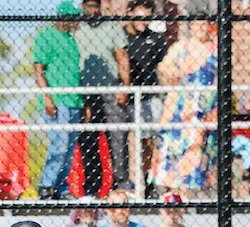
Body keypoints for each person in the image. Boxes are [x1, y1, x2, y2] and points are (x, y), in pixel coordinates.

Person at [151, 19, 217, 195]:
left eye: (204, 24)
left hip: (207, 104)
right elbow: (164, 66)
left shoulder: (215, 47)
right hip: (182, 103)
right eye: (196, 25)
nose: (200, 29)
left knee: (203, 147)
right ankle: (176, 191)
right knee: (177, 145)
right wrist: (176, 74)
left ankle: (199, 189)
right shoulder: (182, 46)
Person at [75, 0, 131, 187]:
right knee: (87, 138)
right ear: (82, 6)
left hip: (111, 89)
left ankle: (121, 181)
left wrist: (125, 85)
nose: (92, 10)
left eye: (95, 5)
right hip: (84, 91)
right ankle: (92, 183)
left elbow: (121, 55)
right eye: (88, 5)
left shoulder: (112, 26)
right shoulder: (76, 28)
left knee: (117, 136)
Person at [33, 1, 84, 200]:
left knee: (69, 148)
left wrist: (83, 103)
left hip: (74, 101)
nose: (77, 23)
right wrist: (47, 97)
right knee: (59, 145)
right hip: (57, 100)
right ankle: (46, 186)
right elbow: (39, 69)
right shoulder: (46, 35)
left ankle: (62, 188)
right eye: (74, 19)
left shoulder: (71, 40)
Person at [122, 0, 170, 197]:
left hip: (151, 95)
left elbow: (164, 67)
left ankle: (150, 182)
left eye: (147, 17)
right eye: (139, 16)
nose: (143, 21)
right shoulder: (122, 37)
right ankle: (133, 181)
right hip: (130, 97)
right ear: (130, 13)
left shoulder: (156, 39)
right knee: (135, 140)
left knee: (153, 140)